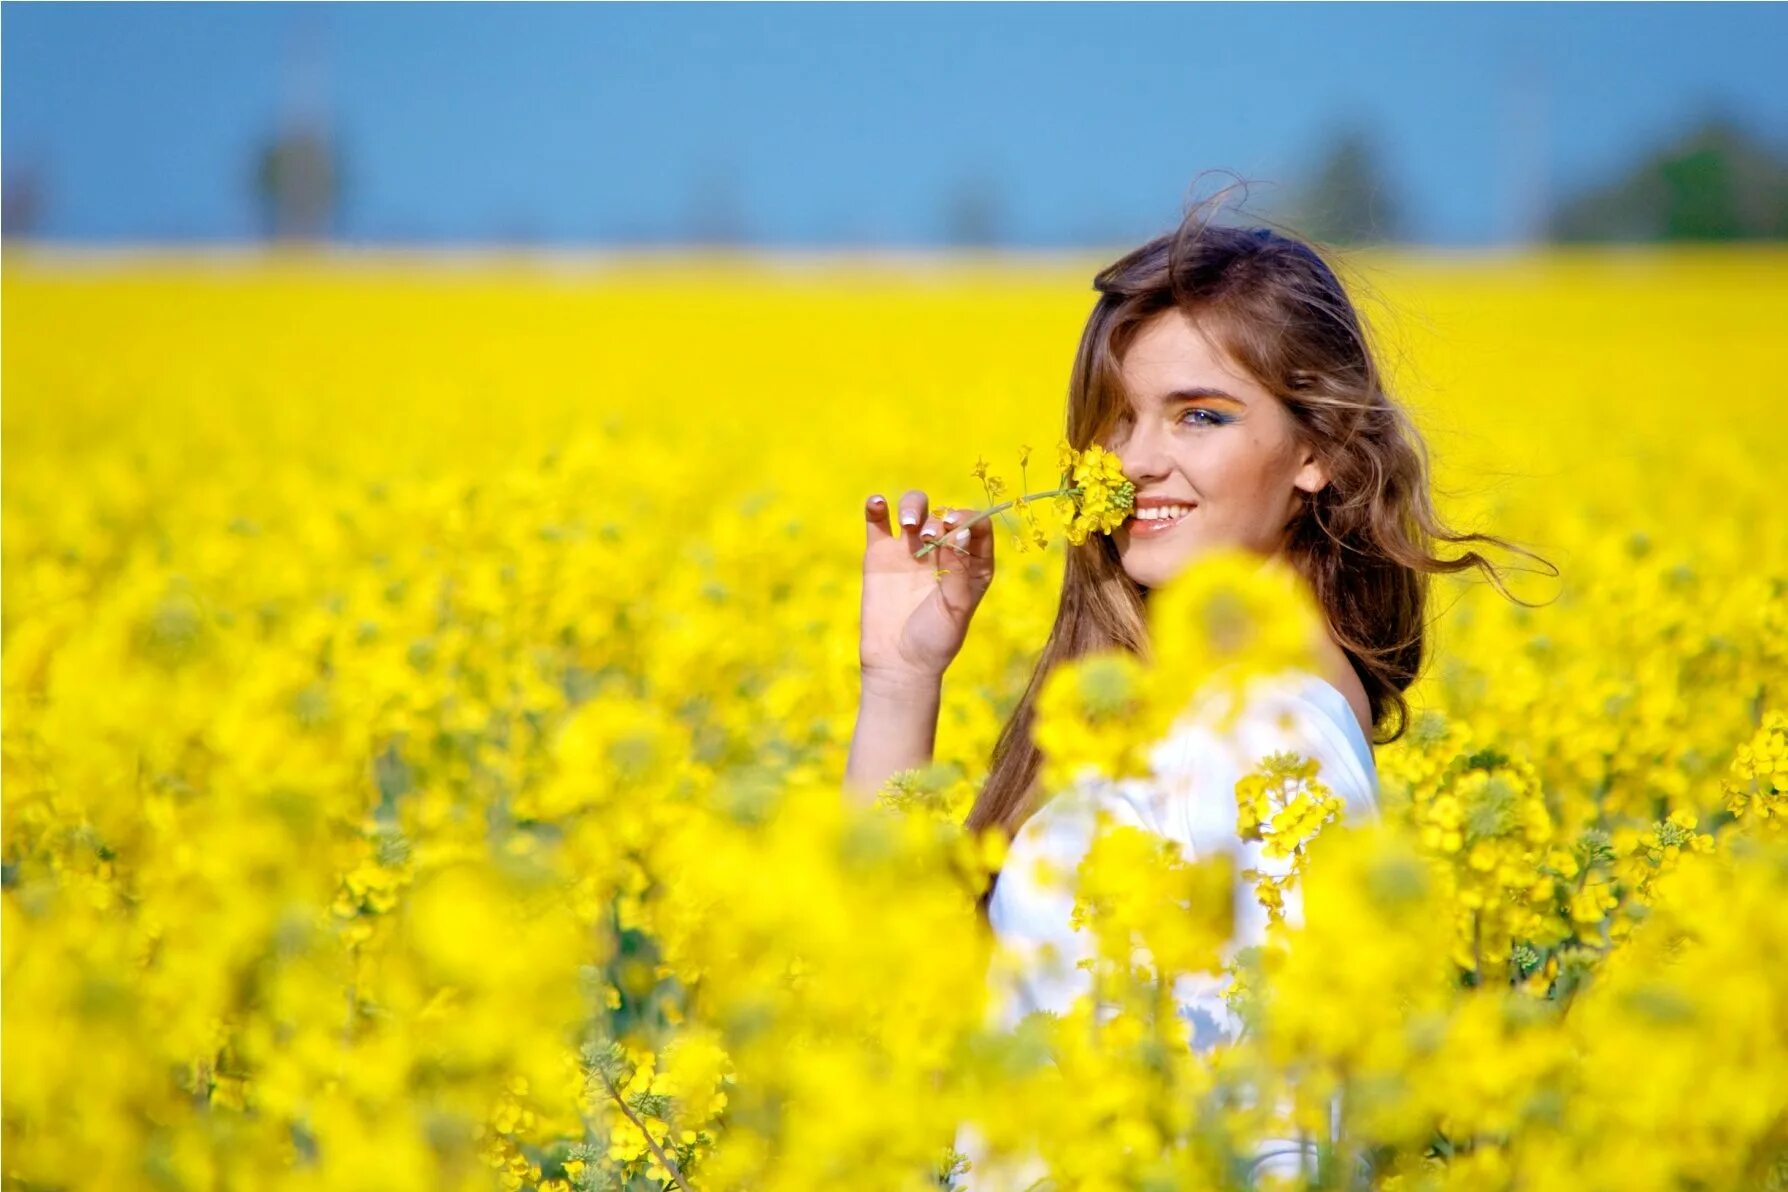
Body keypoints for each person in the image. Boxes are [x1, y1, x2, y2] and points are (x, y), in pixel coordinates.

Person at [844, 198, 1553, 1186]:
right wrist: (901, 678)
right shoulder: (1191, 709)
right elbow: (898, 1005)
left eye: (1200, 416)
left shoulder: (1273, 743)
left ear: (1321, 451)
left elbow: (1277, 1144)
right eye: (1121, 420)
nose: (1135, 461)